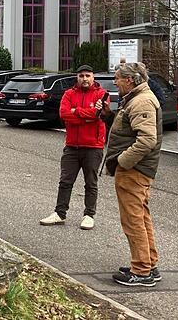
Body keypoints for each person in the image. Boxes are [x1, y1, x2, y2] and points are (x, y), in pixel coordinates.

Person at [102, 62, 163, 287]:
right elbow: (128, 130)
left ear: (130, 80)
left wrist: (121, 162)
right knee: (142, 217)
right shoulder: (136, 98)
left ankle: (141, 271)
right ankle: (149, 264)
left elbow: (147, 140)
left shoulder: (142, 101)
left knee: (133, 220)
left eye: (118, 78)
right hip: (136, 170)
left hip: (134, 171)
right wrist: (109, 117)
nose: (115, 82)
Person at [39, 65, 107, 230]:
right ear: (77, 77)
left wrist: (76, 111)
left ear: (93, 77)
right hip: (71, 146)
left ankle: (89, 215)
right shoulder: (68, 94)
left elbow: (97, 116)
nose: (85, 79)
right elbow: (64, 115)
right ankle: (60, 213)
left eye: (88, 76)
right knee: (65, 181)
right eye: (81, 76)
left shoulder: (101, 94)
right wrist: (86, 114)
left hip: (93, 146)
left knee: (90, 183)